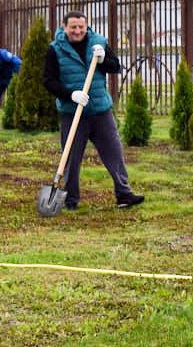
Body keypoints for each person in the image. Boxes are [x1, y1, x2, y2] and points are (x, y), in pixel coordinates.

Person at [42, 11, 144, 211]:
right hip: (73, 113)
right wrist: (70, 94)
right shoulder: (55, 49)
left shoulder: (99, 42)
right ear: (64, 27)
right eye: (73, 27)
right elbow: (49, 81)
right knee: (71, 159)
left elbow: (115, 67)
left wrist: (104, 58)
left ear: (86, 26)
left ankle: (124, 195)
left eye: (81, 27)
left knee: (114, 153)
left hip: (100, 111)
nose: (78, 31)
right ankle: (70, 200)